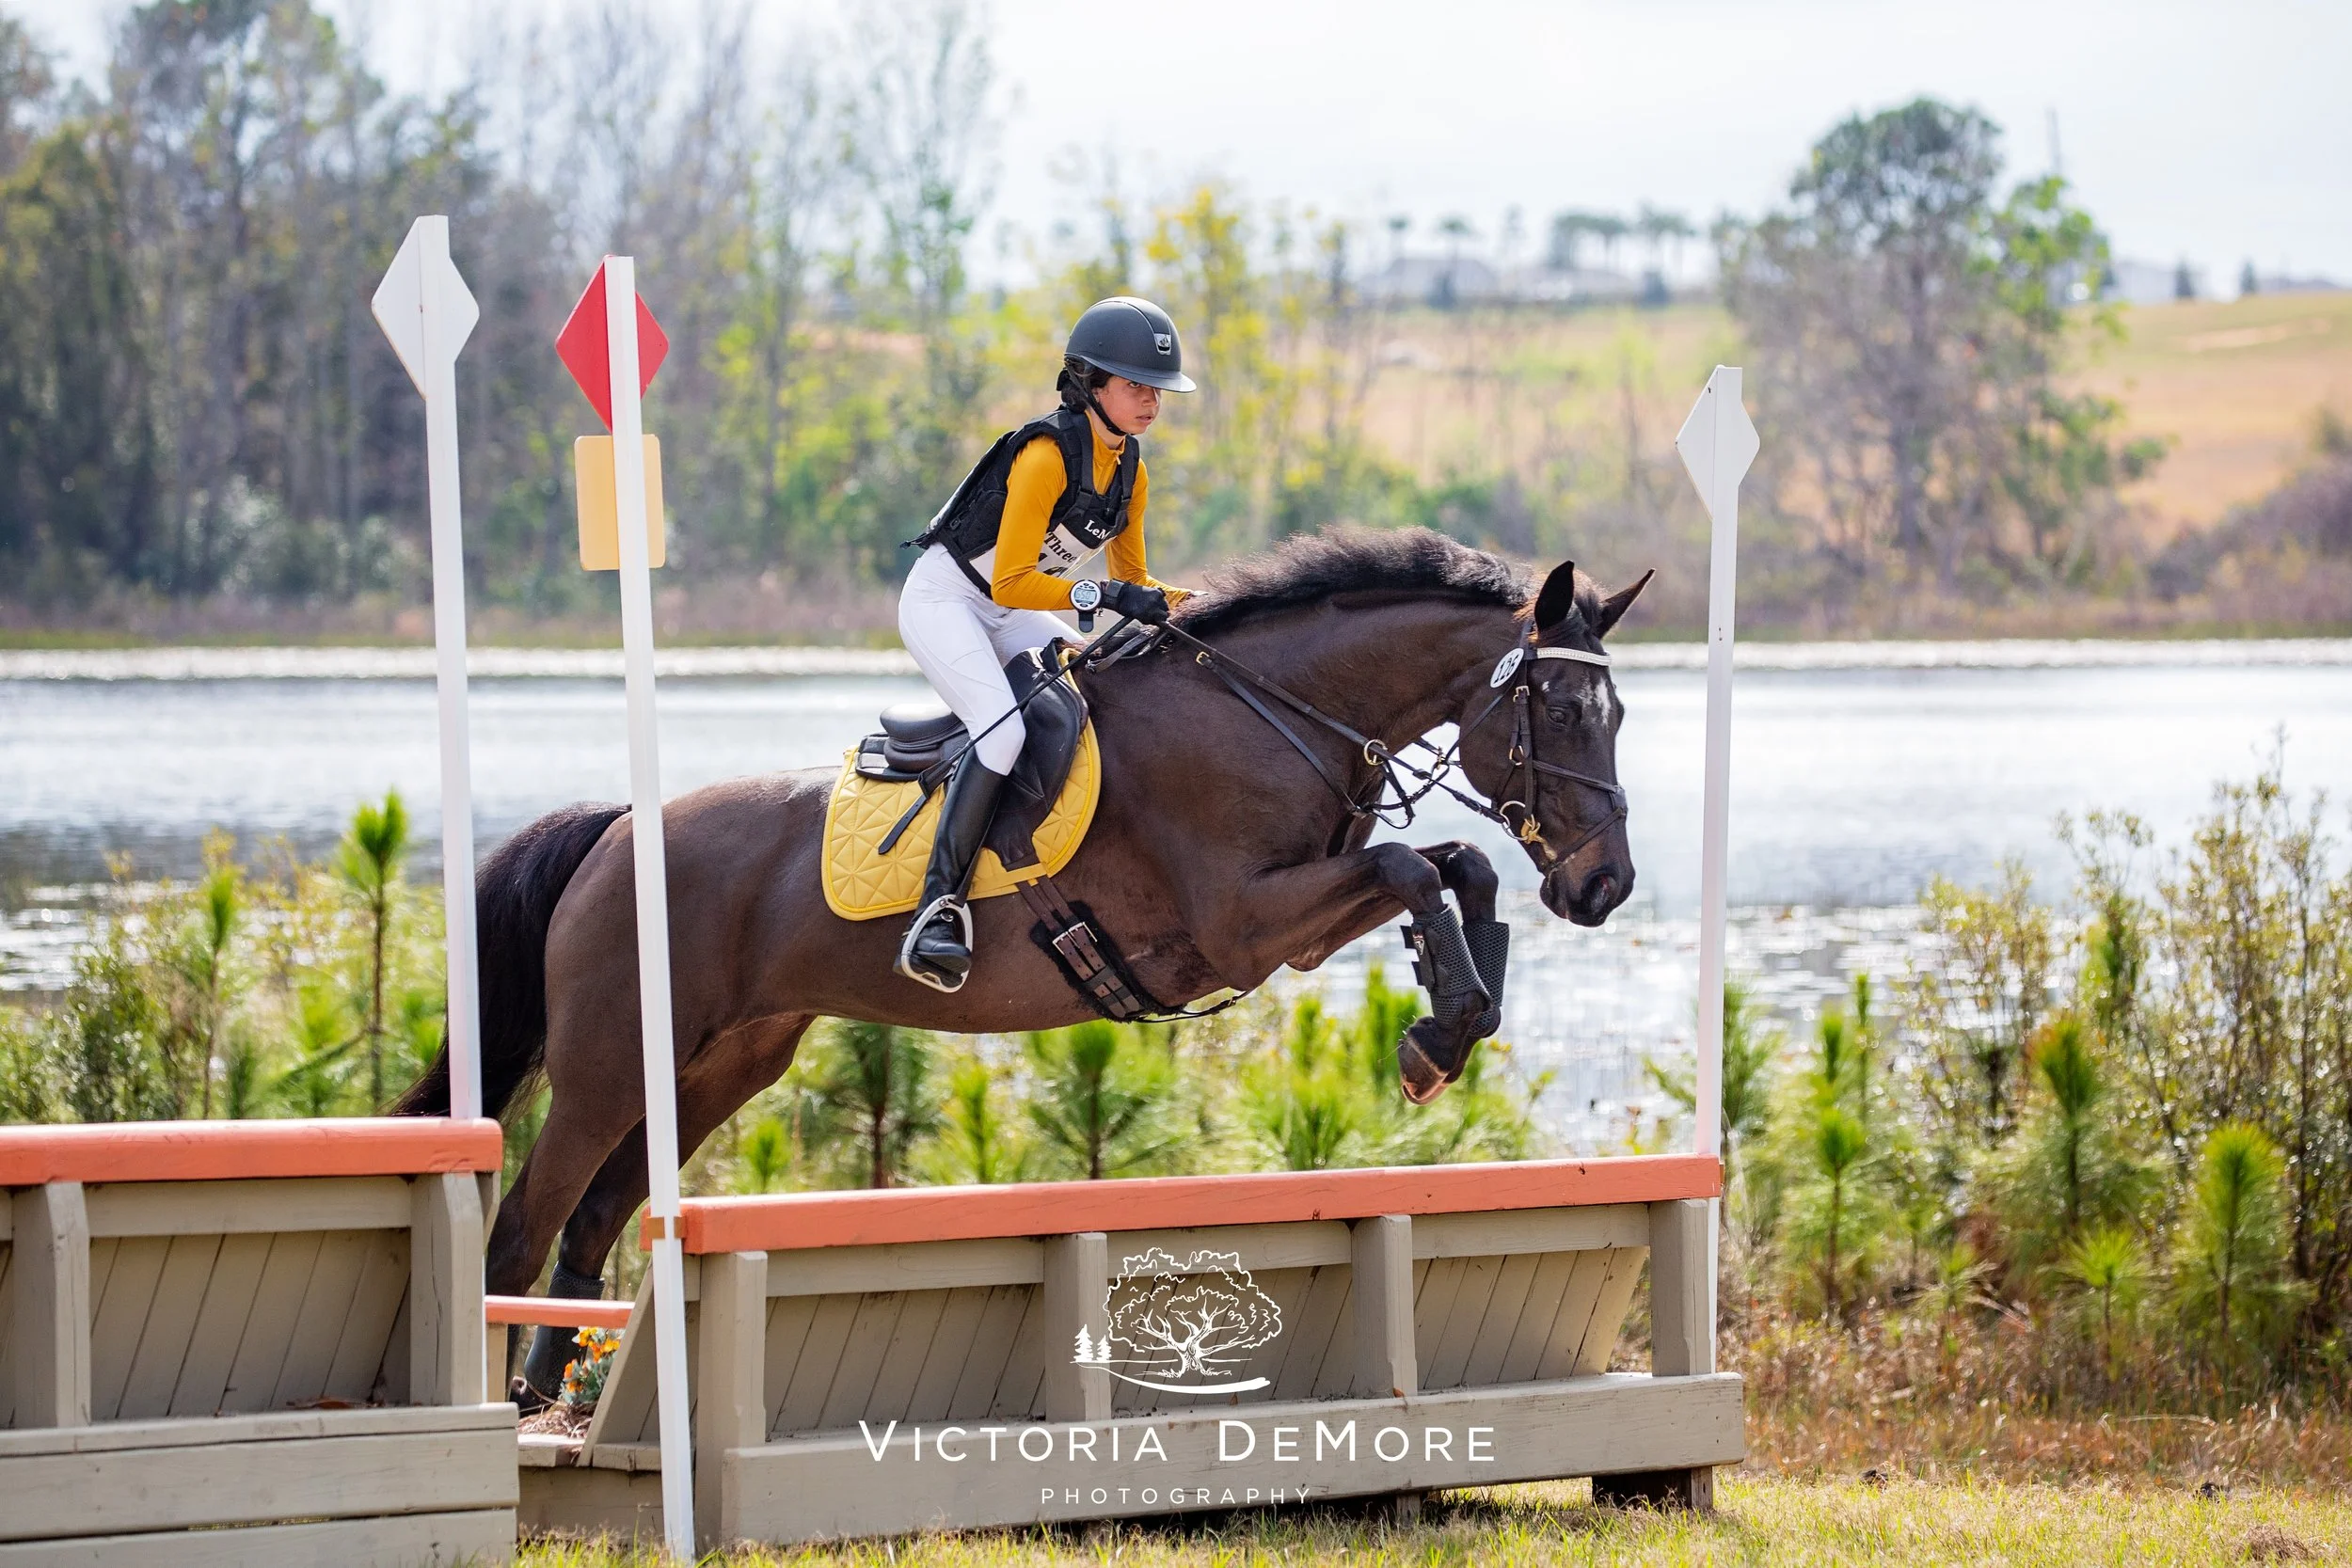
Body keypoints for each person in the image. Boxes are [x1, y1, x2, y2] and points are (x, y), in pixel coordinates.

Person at [894, 296, 1197, 992]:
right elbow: (1012, 579)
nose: (1151, 401)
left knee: (1101, 684)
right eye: (1135, 386)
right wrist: (1106, 597)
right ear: (1091, 384)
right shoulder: (1043, 455)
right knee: (999, 737)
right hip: (949, 600)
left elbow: (1133, 580)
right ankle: (937, 908)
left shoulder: (1131, 470)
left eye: (1157, 389)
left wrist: (1205, 603)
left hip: (1007, 609)